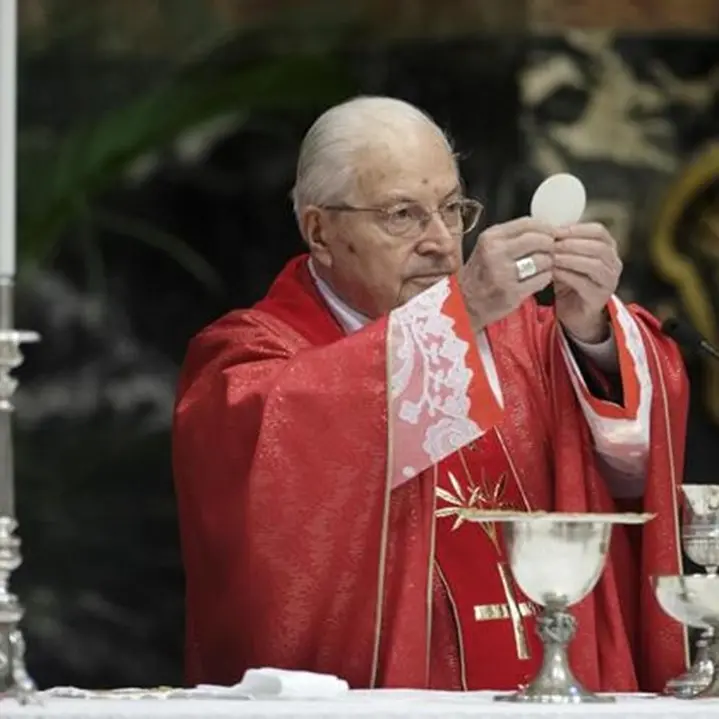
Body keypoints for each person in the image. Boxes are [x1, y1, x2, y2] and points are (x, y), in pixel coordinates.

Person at [172, 96, 689, 693]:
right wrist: (461, 312)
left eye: (452, 210)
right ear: (319, 231)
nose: (442, 242)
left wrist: (591, 330)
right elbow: (277, 456)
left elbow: (634, 459)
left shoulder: (526, 339)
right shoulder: (245, 358)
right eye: (402, 216)